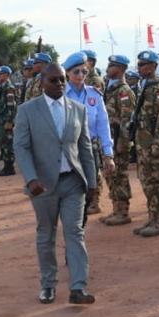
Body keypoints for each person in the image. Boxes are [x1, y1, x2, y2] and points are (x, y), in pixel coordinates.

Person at [13, 62, 98, 305]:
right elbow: (21, 147)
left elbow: (85, 148)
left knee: (75, 232)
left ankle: (78, 287)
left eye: (62, 79)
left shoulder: (78, 109)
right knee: (46, 234)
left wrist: (92, 182)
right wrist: (31, 179)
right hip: (43, 184)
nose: (59, 84)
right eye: (53, 80)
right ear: (42, 83)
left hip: (73, 182)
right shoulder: (28, 110)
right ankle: (48, 285)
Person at [64, 51, 115, 216]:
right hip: (67, 149)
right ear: (67, 73)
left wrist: (108, 154)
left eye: (84, 71)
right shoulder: (60, 95)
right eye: (76, 72)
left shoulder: (94, 95)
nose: (81, 75)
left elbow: (103, 124)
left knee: (90, 185)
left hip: (89, 148)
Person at [130, 51, 159, 237]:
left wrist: (157, 145)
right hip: (144, 143)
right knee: (147, 182)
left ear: (153, 66)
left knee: (156, 182)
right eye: (139, 64)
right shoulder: (145, 86)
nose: (140, 67)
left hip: (154, 145)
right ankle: (152, 217)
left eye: (143, 64)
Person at [101, 54, 136, 226]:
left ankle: (123, 211)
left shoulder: (124, 91)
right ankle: (116, 208)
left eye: (112, 66)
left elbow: (126, 121)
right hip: (109, 141)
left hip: (119, 142)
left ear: (121, 69)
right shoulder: (110, 89)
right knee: (111, 175)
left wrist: (123, 144)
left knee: (119, 176)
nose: (108, 69)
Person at [0, 66, 18, 176]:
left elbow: (11, 106)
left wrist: (9, 120)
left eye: (0, 74)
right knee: (3, 142)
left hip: (6, 120)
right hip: (2, 119)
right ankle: (6, 166)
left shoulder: (9, 88)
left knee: (7, 143)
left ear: (6, 75)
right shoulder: (2, 87)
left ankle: (9, 167)